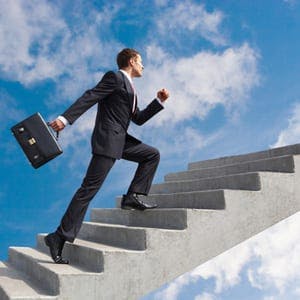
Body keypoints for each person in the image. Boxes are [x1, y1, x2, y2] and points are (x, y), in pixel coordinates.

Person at [44, 48, 170, 264]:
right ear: (131, 61)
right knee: (88, 190)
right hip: (108, 141)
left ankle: (132, 196)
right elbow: (90, 96)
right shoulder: (114, 77)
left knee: (151, 155)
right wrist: (64, 119)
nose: (143, 65)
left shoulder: (131, 88)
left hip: (120, 141)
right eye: (141, 61)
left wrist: (158, 102)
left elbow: (137, 118)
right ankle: (58, 237)